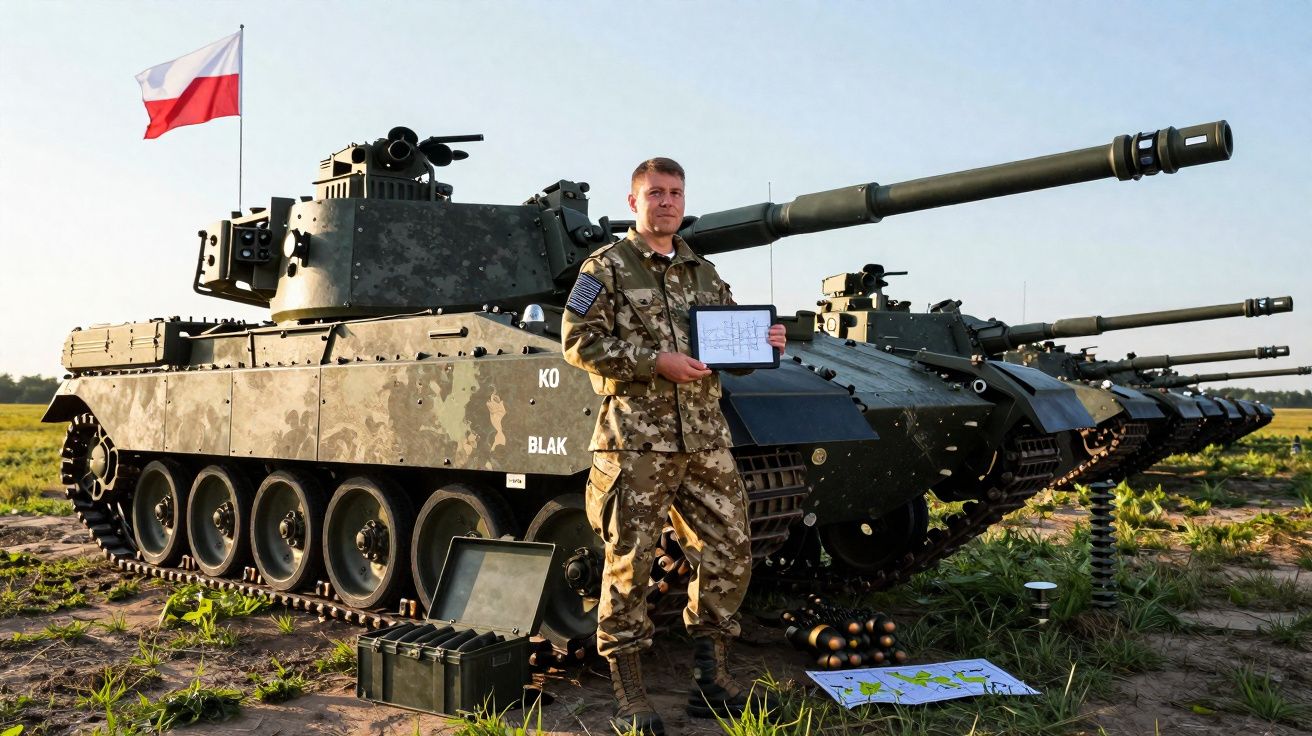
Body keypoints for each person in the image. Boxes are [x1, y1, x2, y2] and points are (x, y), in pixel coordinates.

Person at [561, 157, 786, 735]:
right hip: (635, 441)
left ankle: (712, 679)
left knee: (730, 549)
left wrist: (765, 343)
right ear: (634, 201)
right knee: (629, 562)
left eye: (675, 193)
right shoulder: (604, 268)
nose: (666, 202)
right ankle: (631, 694)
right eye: (655, 192)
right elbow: (577, 341)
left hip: (705, 437)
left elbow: (731, 349)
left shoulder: (704, 273)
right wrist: (652, 361)